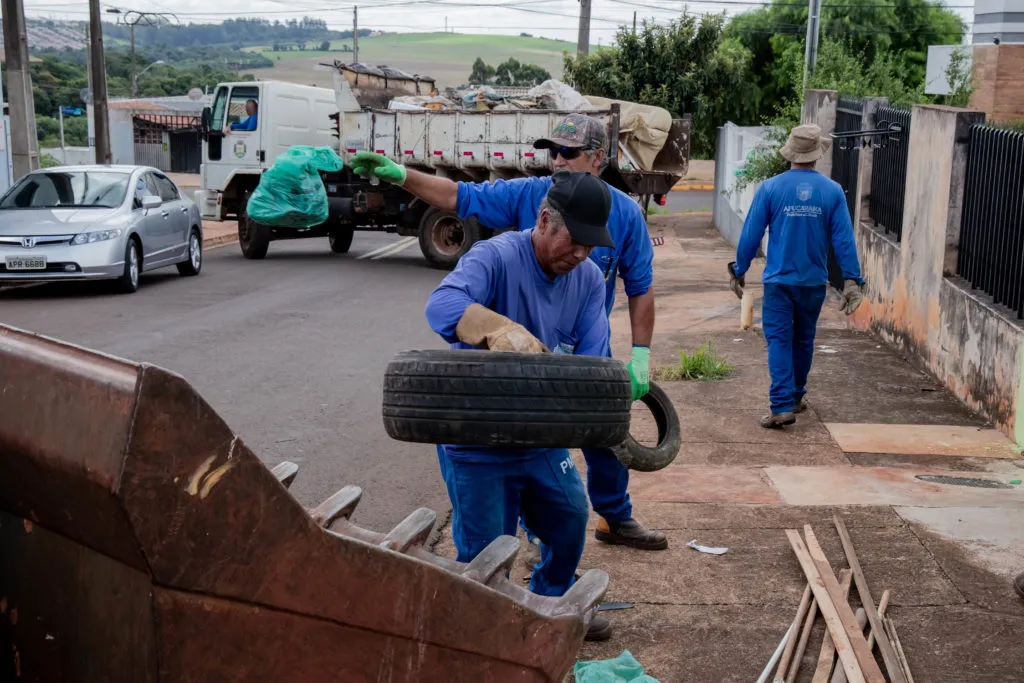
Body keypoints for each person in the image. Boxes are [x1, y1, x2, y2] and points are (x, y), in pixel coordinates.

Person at [350, 113, 667, 553]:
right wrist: (402, 175)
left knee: (591, 459)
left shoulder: (620, 225)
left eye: (567, 153)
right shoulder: (523, 208)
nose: (555, 159)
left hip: (570, 352)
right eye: (551, 150)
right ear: (542, 221)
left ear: (597, 158)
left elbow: (641, 289)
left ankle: (610, 519)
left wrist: (639, 358)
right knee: (491, 535)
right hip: (493, 388)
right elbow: (456, 198)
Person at [423, 170, 617, 641]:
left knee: (571, 517)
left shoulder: (588, 279)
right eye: (574, 241)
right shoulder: (495, 256)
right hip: (476, 436)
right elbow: (441, 304)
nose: (580, 254)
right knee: (488, 554)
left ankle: (550, 599)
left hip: (540, 435)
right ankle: (489, 631)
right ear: (545, 220)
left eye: (591, 245)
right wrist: (491, 326)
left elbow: (593, 358)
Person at [727, 123, 866, 428]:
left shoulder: (771, 188)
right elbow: (843, 239)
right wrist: (852, 280)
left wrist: (740, 269)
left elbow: (751, 234)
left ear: (791, 151)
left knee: (778, 340)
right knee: (803, 339)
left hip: (778, 282)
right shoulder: (831, 191)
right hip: (814, 282)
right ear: (817, 154)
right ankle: (795, 397)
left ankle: (780, 406)